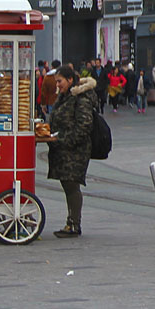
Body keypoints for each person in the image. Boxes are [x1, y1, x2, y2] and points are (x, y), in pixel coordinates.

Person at [42, 64, 98, 238]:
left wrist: (63, 140)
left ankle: (74, 224)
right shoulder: (65, 96)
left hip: (75, 150)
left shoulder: (81, 98)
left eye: (60, 81)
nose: (57, 85)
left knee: (72, 185)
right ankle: (71, 222)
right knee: (68, 185)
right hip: (64, 149)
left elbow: (84, 126)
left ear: (70, 80)